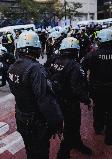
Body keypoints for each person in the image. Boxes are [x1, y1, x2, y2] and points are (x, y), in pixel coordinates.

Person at [8, 30, 63, 159]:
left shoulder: (13, 66)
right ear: (36, 48)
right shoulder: (35, 69)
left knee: (30, 149)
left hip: (21, 117)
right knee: (40, 152)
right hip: (36, 122)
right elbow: (45, 100)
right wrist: (57, 123)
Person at [46, 37, 93, 159]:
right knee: (71, 128)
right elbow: (77, 89)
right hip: (70, 103)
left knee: (71, 127)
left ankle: (77, 143)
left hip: (55, 101)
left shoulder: (53, 59)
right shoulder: (75, 66)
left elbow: (45, 75)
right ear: (76, 50)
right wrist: (87, 99)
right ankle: (63, 154)